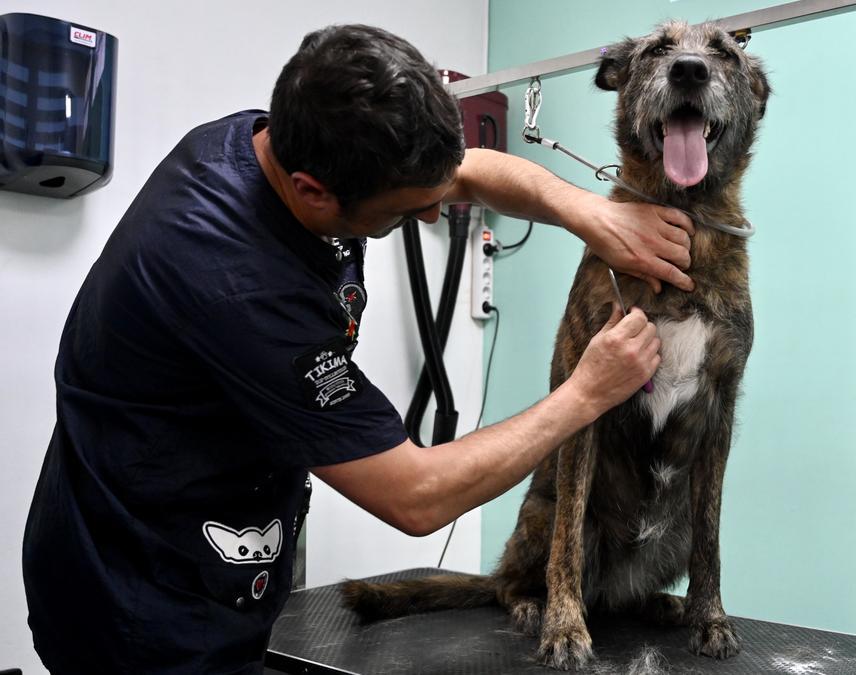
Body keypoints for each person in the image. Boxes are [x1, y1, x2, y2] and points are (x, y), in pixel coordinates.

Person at [22, 24, 695, 674]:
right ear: (312, 191)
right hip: (138, 608)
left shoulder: (288, 139)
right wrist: (585, 393)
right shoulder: (236, 284)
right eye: (406, 213)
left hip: (220, 550)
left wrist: (590, 213)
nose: (433, 215)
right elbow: (416, 496)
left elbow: (468, 174)